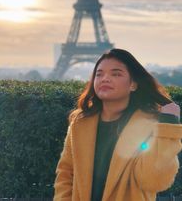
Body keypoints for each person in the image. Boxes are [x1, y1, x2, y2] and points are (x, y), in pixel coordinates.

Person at [53, 48, 182, 201]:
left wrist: (169, 124)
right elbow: (66, 173)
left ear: (133, 84)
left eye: (116, 74)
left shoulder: (150, 126)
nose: (105, 79)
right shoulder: (80, 123)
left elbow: (153, 180)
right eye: (99, 74)